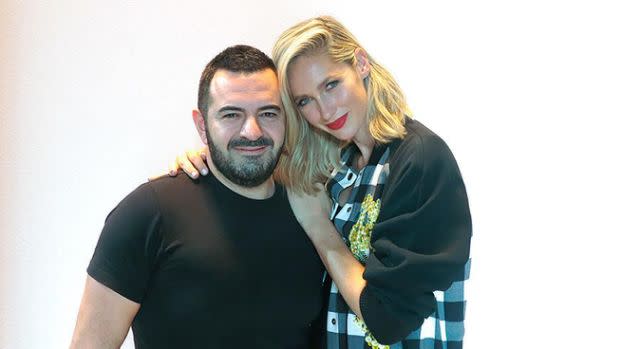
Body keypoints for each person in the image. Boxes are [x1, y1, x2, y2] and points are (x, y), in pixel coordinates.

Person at [171, 16, 472, 349]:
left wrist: (319, 228)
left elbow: (388, 318)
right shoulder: (338, 164)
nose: (325, 110)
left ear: (360, 64)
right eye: (304, 101)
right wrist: (202, 162)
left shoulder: (420, 159)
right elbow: (249, 169)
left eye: (331, 85)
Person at [69, 45, 325, 349]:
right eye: (231, 114)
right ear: (202, 125)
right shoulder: (148, 213)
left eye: (268, 113)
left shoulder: (310, 211)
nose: (252, 131)